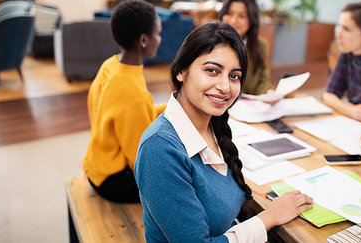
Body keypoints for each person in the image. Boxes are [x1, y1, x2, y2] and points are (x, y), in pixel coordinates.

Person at [134, 22, 313, 242]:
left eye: (234, 76)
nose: (225, 87)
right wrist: (270, 217)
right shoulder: (159, 149)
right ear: (181, 71)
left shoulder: (213, 125)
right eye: (212, 71)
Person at [82, 0, 166, 203]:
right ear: (144, 40)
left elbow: (129, 112)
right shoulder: (133, 92)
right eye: (158, 33)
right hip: (113, 181)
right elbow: (141, 159)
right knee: (178, 178)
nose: (160, 39)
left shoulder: (111, 65)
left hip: (96, 165)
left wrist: (173, 106)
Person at [219, 0, 274, 96]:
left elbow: (263, 81)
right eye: (229, 13)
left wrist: (269, 92)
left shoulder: (260, 45)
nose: (233, 20)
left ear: (252, 20)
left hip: (246, 107)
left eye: (242, 16)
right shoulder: (209, 43)